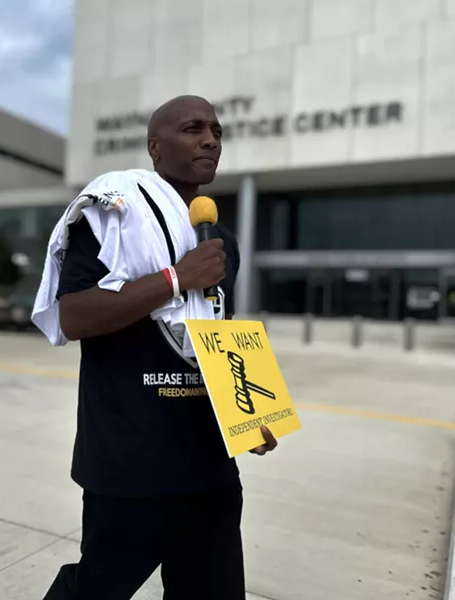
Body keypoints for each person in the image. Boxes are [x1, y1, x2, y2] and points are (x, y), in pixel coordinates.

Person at [39, 95, 278, 600]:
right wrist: (175, 278)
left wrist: (248, 409)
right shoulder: (112, 214)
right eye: (194, 129)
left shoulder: (220, 242)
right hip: (131, 467)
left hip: (210, 471)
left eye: (216, 131)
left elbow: (212, 335)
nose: (211, 140)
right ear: (154, 146)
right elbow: (74, 315)